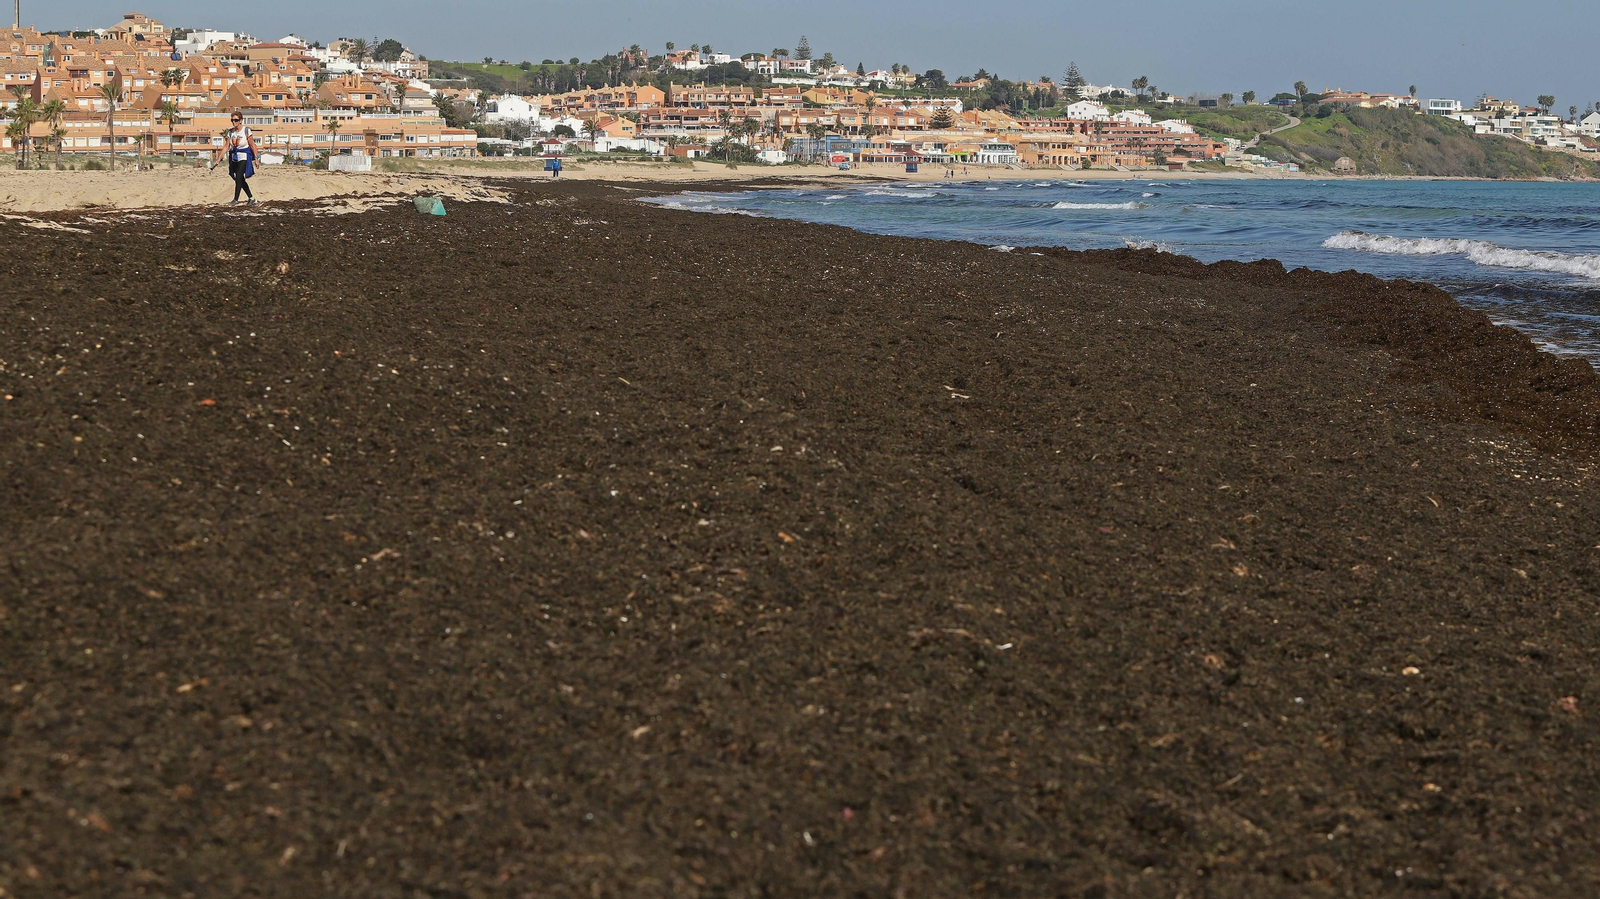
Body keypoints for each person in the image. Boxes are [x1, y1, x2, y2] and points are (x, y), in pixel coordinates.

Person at [216, 113, 261, 206]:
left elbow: (252, 145)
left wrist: (256, 158)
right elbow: (226, 146)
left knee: (239, 176)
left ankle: (235, 199)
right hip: (234, 156)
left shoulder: (246, 130)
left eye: (236, 120)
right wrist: (219, 158)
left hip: (244, 155)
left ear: (240, 120)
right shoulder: (230, 132)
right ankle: (252, 198)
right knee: (238, 178)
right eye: (232, 120)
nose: (234, 122)